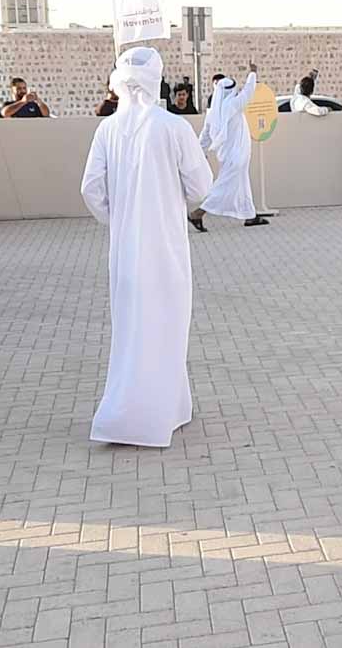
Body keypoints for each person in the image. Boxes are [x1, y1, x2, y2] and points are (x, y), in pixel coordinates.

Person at [80, 47, 214, 446]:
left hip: (124, 249)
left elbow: (90, 189)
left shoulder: (106, 129)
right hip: (166, 246)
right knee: (167, 322)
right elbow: (201, 187)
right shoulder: (172, 127)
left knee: (131, 326)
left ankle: (166, 406)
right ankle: (151, 413)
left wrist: (120, 220)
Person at [194, 66, 262, 229]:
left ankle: (249, 215)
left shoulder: (213, 113)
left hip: (227, 155)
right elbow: (248, 92)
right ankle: (197, 214)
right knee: (223, 186)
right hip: (237, 156)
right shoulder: (232, 104)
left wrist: (197, 152)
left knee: (242, 184)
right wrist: (252, 73)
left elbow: (205, 137)